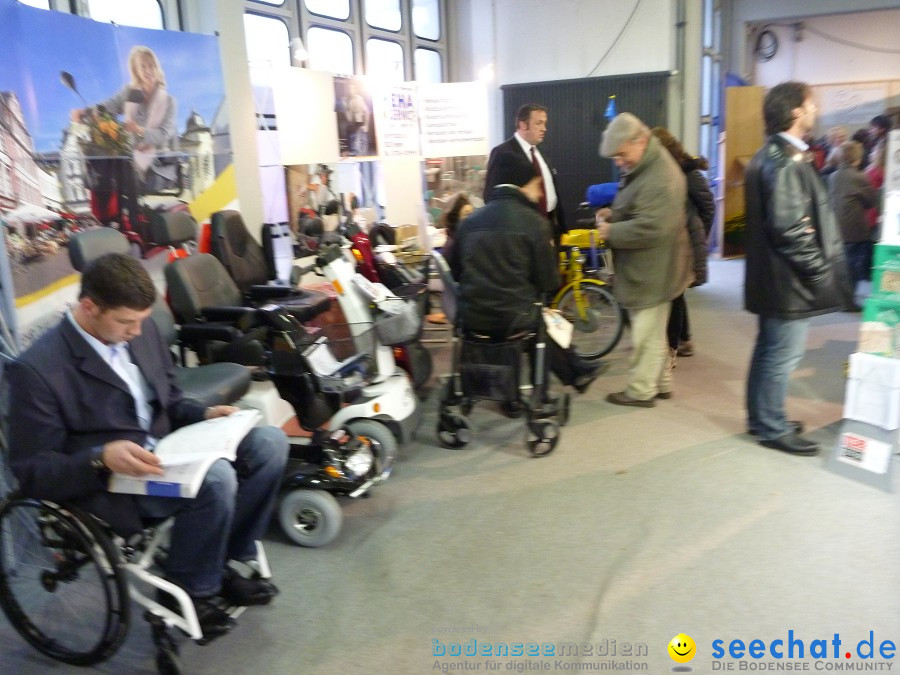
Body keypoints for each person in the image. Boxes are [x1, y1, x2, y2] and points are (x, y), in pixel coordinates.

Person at [7, 253, 289, 640]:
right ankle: (191, 590)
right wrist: (100, 459)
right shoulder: (37, 370)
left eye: (141, 320)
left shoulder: (139, 332)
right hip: (112, 481)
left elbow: (170, 402)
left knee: (270, 444)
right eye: (127, 322)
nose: (137, 331)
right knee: (216, 479)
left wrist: (204, 415)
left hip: (165, 449)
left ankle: (218, 563)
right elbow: (34, 473)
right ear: (89, 307)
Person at [744, 81, 854, 455]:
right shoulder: (786, 160)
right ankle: (772, 426)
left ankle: (762, 418)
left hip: (772, 278)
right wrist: (819, 271)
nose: (814, 109)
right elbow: (789, 228)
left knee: (768, 351)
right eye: (810, 104)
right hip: (787, 280)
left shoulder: (770, 154)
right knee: (781, 355)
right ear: (794, 111)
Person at [449, 171, 603, 402]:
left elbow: (456, 272)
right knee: (539, 324)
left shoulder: (469, 223)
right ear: (523, 186)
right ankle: (556, 383)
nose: (540, 193)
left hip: (472, 318)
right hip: (514, 319)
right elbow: (549, 281)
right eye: (537, 186)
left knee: (531, 318)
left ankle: (574, 371)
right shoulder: (534, 224)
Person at [595, 113, 691, 407]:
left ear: (641, 140)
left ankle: (640, 390)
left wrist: (611, 230)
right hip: (654, 266)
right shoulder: (647, 164)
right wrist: (615, 213)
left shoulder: (660, 175)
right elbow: (641, 208)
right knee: (653, 331)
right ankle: (660, 383)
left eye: (622, 154)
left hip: (654, 268)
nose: (618, 161)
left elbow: (652, 227)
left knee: (645, 333)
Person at [483, 104, 566, 242]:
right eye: (538, 123)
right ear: (522, 124)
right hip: (522, 234)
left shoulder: (542, 151)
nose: (544, 128)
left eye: (545, 123)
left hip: (550, 228)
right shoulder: (502, 153)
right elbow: (490, 197)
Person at [828, 140, 879, 304]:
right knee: (853, 265)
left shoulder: (833, 176)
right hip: (855, 228)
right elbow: (871, 200)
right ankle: (848, 302)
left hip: (836, 226)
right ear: (857, 158)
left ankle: (841, 297)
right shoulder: (860, 177)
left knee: (843, 264)